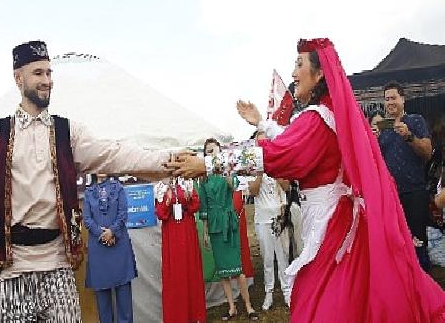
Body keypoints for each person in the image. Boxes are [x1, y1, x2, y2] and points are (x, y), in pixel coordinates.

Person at [168, 38, 445, 322]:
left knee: (324, 302)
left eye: (299, 64)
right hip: (337, 217)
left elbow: (277, 154)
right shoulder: (331, 115)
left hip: (329, 223)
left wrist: (207, 163)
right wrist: (262, 124)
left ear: (320, 74)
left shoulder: (317, 118)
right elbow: (292, 139)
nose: (292, 73)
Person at [0, 40, 172, 322]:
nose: (47, 80)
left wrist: (170, 162)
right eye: (38, 73)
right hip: (14, 268)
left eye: (49, 73)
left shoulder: (67, 132)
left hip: (58, 266)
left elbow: (114, 154)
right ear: (19, 78)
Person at [374, 82, 433, 271]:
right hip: (390, 199)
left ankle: (424, 290)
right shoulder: (382, 129)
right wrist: (373, 140)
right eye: (387, 99)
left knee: (418, 244)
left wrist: (409, 136)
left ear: (403, 99)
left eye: (393, 98)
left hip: (414, 194)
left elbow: (427, 152)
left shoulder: (415, 121)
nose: (390, 102)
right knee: (396, 247)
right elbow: (374, 164)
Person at [198, 138, 258, 321]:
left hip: (228, 221)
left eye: (214, 150)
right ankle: (231, 307)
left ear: (220, 152)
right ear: (205, 155)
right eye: (208, 151)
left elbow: (235, 187)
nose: (212, 153)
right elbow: (205, 207)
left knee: (237, 268)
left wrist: (225, 171)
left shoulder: (229, 170)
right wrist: (206, 232)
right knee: (222, 270)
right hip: (214, 225)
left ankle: (248, 305)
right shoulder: (204, 178)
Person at [83, 177, 137, 323]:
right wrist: (103, 235)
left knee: (124, 299)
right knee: (102, 301)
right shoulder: (89, 192)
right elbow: (87, 219)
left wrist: (112, 232)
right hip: (98, 249)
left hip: (119, 246)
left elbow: (123, 214)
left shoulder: (118, 188)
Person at [155, 180, 206, 323]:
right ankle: (176, 317)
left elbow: (196, 206)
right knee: (175, 273)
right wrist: (168, 201)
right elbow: (160, 213)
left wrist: (189, 198)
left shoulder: (187, 183)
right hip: (171, 232)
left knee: (191, 269)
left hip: (187, 228)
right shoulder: (161, 186)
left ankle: (195, 315)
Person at [247, 173, 290, 310]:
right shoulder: (254, 170)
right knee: (267, 258)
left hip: (279, 218)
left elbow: (287, 187)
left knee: (283, 256)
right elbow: (253, 191)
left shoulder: (279, 166)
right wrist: (260, 173)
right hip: (262, 220)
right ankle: (269, 291)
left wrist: (276, 174)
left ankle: (287, 290)